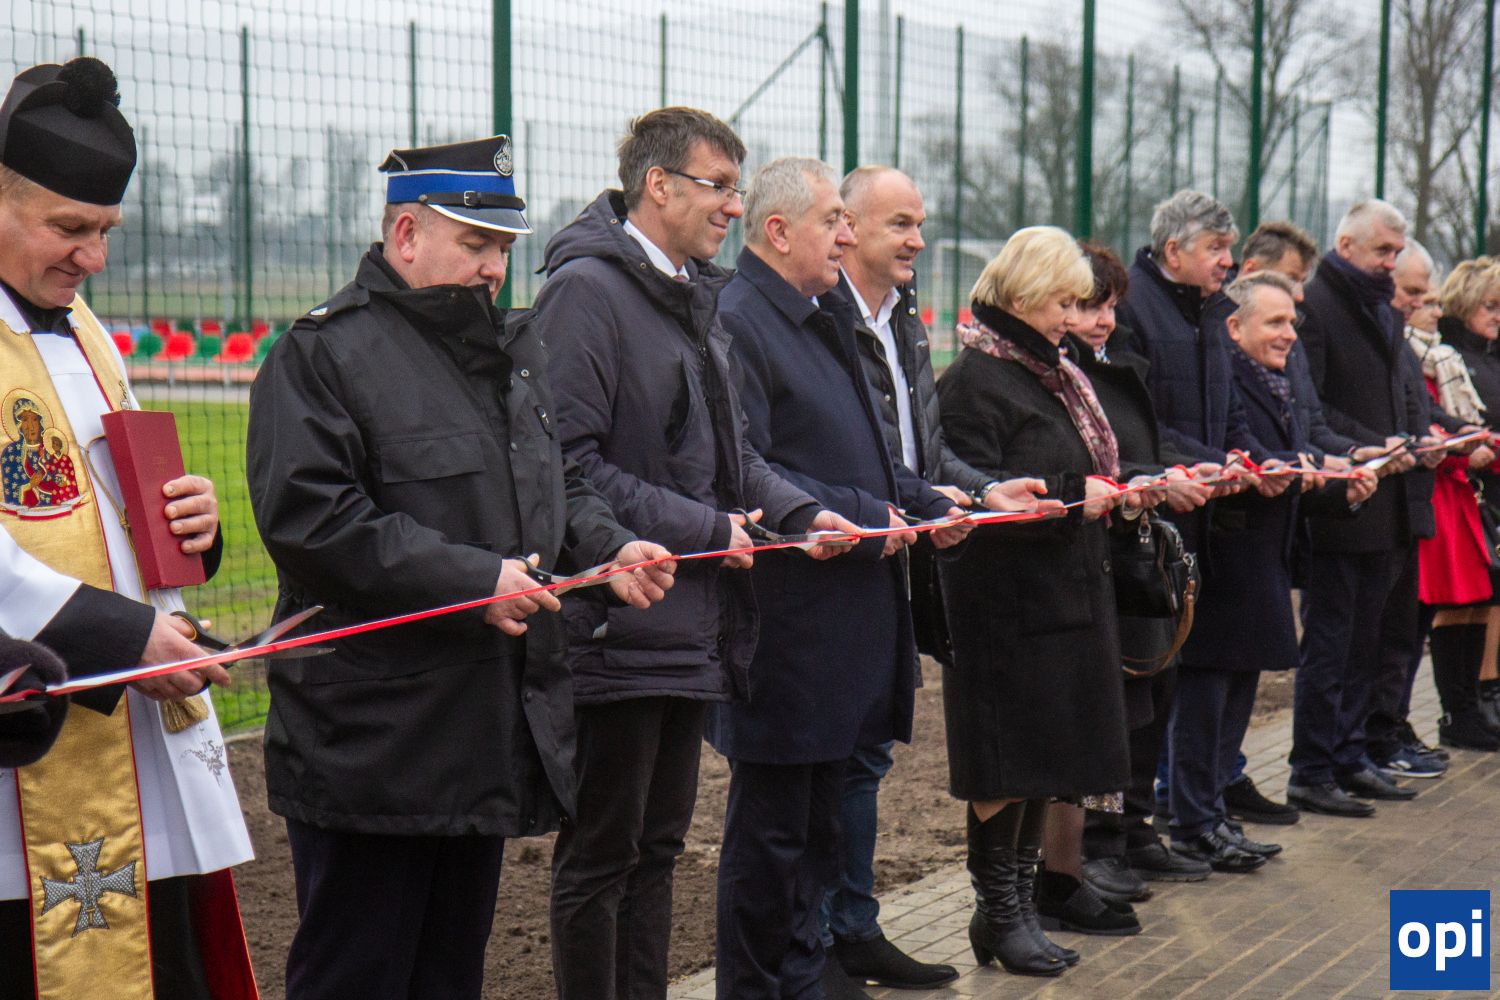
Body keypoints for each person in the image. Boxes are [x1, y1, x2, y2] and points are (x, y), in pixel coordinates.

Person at [246, 135, 676, 1000]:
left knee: (450, 976)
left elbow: (549, 486)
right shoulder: (322, 355)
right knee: (356, 977)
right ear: (406, 234)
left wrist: (606, 549)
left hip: (478, 736)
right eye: (476, 244)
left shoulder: (508, 351)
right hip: (371, 750)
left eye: (504, 250)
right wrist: (472, 581)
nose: (494, 269)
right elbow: (314, 521)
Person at [535, 108, 857, 1000]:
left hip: (689, 622)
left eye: (736, 188)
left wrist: (802, 515)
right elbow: (569, 465)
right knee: (602, 854)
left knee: (657, 848)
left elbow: (732, 453)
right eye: (718, 186)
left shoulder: (693, 295)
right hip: (617, 621)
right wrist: (707, 530)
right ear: (658, 185)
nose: (733, 206)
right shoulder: (586, 293)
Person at [0, 57, 255, 1000]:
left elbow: (107, 502)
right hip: (32, 736)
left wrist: (191, 523)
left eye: (105, 230)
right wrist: (118, 636)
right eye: (69, 228)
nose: (94, 258)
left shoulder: (85, 328)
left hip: (137, 733)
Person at [706, 157, 971, 1000]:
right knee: (771, 840)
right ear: (779, 231)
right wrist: (860, 514)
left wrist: (932, 502)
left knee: (818, 832)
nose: (847, 235)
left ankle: (805, 973)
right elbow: (745, 466)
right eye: (834, 220)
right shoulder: (740, 320)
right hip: (787, 634)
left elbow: (870, 455)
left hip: (845, 625)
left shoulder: (820, 316)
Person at [829, 164, 1042, 990]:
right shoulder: (822, 318)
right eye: (901, 224)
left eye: (919, 223)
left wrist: (981, 491)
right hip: (838, 562)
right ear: (848, 226)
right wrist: (900, 505)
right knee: (832, 762)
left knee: (868, 756)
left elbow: (921, 450)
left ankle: (854, 928)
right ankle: (825, 938)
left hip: (900, 563)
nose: (918, 240)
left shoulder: (905, 321)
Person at [937, 226, 1135, 976]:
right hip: (1003, 611)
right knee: (1003, 764)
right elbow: (973, 494)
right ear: (1022, 296)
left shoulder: (1049, 374)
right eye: (1063, 303)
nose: (1071, 319)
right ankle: (998, 911)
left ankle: (1014, 909)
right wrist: (1074, 495)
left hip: (1061, 601)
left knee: (1040, 762)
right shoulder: (976, 382)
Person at [1172, 272, 1377, 870]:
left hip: (1261, 562)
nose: (1290, 333)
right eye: (1277, 322)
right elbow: (1241, 461)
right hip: (1225, 563)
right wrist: (1299, 467)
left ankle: (1213, 816)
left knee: (1235, 698)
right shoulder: (1228, 380)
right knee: (1205, 703)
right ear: (1235, 328)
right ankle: (1192, 821)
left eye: (1292, 321)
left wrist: (1340, 490)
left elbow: (1282, 473)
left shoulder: (1275, 380)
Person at [1292, 199, 1455, 816]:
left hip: (1388, 501)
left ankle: (1350, 755)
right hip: (1343, 503)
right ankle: (1312, 768)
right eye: (1383, 250)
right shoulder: (1316, 307)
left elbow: (1397, 394)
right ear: (1346, 245)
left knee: (1367, 641)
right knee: (1330, 645)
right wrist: (1372, 445)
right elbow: (1312, 405)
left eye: (1396, 250)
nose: (1391, 261)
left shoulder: (1380, 309)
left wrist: (1416, 439)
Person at [1069, 243, 1217, 900]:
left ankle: (1135, 829)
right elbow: (1090, 464)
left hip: (1141, 554)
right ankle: (1096, 844)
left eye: (1108, 305)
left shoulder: (1119, 363)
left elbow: (1145, 444)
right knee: (1117, 708)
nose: (1102, 320)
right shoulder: (1064, 378)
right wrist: (1150, 478)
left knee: (1155, 692)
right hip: (1096, 558)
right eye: (1085, 306)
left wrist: (1181, 467)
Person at [1421, 257, 1500, 750]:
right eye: (1490, 305)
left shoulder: (1478, 357)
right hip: (1457, 490)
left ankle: (1474, 702)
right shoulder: (1441, 358)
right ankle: (1464, 707)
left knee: (1482, 598)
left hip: (1475, 487)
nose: (1497, 316)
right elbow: (1438, 422)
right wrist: (1469, 452)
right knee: (1459, 602)